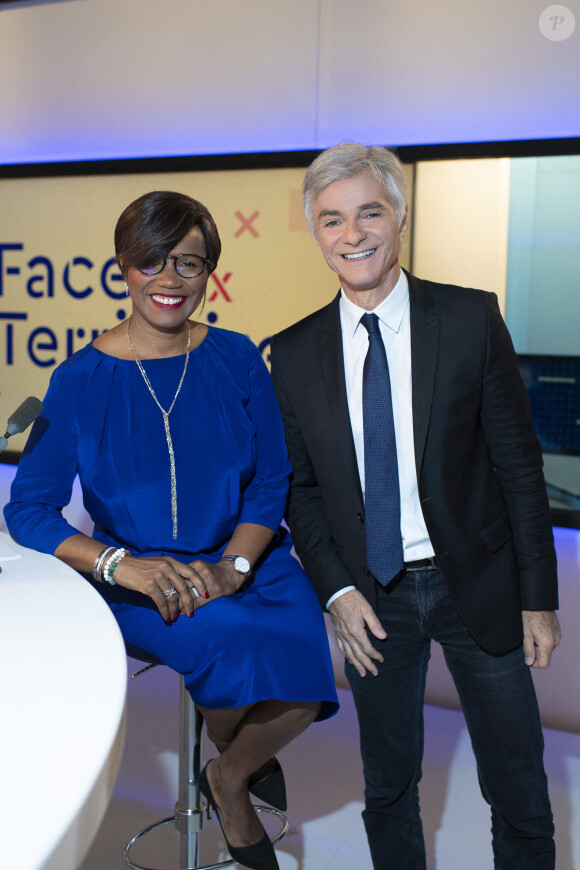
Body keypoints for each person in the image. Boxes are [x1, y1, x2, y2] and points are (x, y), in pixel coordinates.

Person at [5, 190, 338, 870]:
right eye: (151, 260)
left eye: (188, 262)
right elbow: (28, 508)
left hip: (250, 558)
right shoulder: (79, 380)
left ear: (208, 273)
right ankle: (238, 782)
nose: (169, 279)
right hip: (141, 571)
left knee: (307, 669)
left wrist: (234, 567)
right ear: (124, 266)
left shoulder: (239, 358)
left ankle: (229, 774)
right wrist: (116, 565)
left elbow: (270, 481)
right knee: (227, 639)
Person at [269, 143, 561, 869]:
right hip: (373, 597)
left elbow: (520, 466)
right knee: (389, 789)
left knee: (518, 786)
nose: (353, 234)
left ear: (400, 216)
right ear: (315, 231)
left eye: (369, 212)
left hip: (479, 587)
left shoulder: (467, 320)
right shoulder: (295, 352)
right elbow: (299, 490)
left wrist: (539, 597)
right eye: (332, 219)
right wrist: (335, 589)